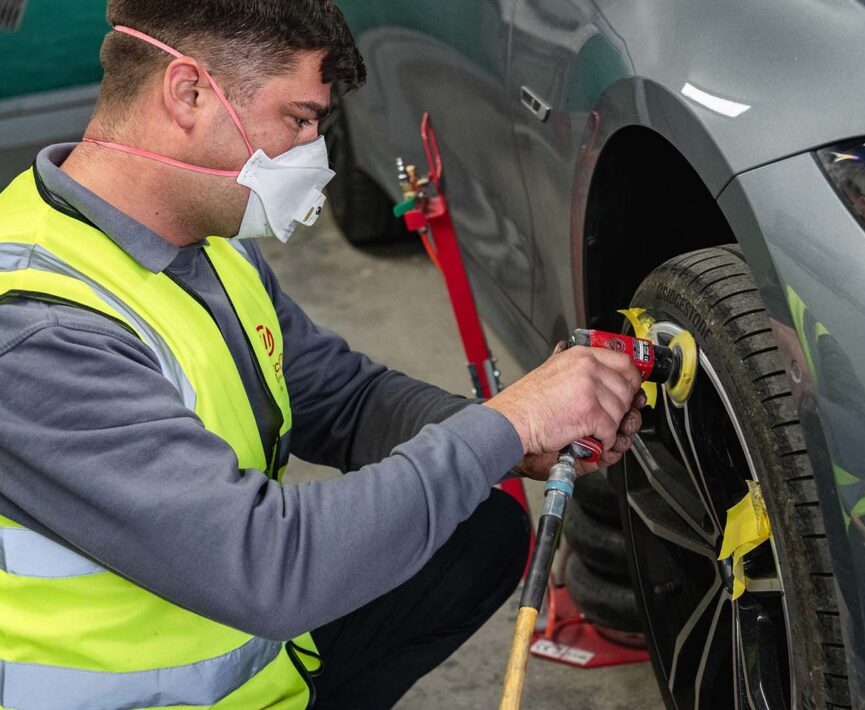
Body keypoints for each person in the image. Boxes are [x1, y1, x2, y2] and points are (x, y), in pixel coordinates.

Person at [0, 1, 646, 708]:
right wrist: (510, 424)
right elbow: (267, 567)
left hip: (250, 658)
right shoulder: (40, 331)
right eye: (300, 121)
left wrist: (511, 431)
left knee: (476, 529)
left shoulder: (204, 247)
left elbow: (346, 398)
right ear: (187, 93)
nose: (315, 155)